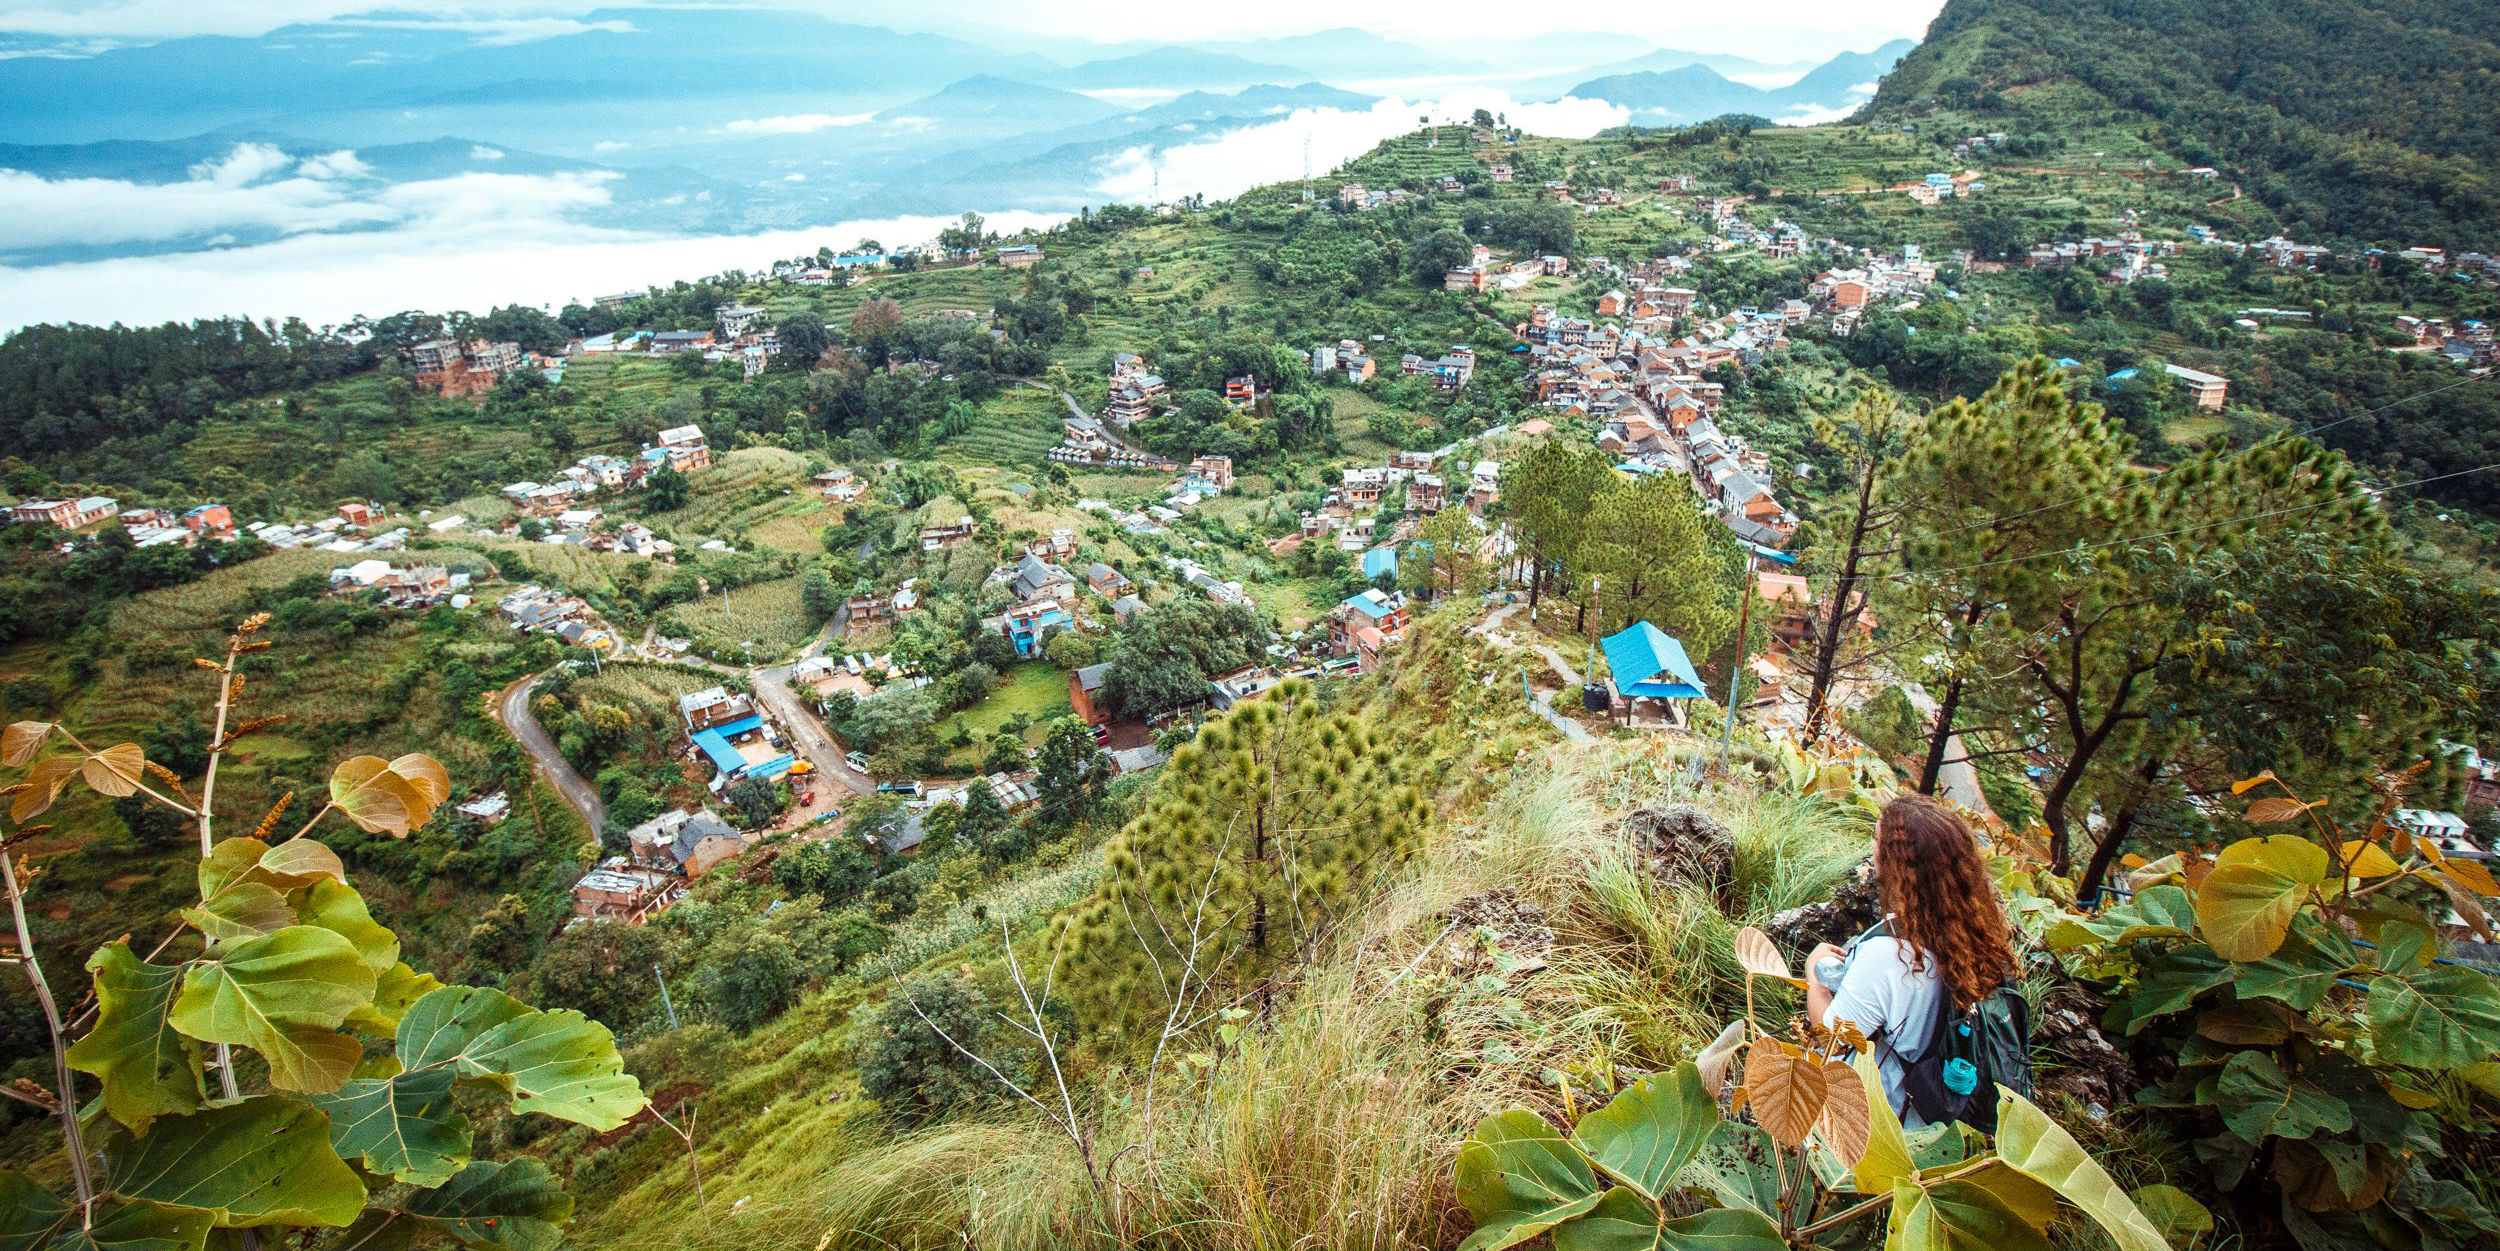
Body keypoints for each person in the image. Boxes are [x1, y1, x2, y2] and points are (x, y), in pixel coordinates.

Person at [1805, 793, 2018, 1127]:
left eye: (1877, 840)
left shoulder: (1892, 957)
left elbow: (1835, 1039)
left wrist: (1814, 979)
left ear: (1896, 863)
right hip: (1930, 1125)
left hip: (1874, 1120)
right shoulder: (1972, 940)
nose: (1871, 847)